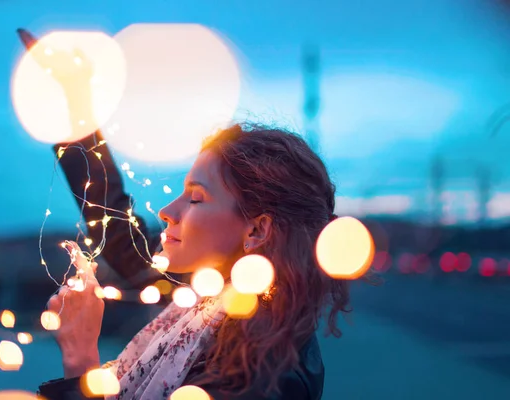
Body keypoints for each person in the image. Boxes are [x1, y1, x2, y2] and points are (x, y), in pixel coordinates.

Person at [21, 31, 350, 400]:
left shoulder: (262, 378)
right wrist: (76, 105)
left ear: (257, 230)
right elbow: (120, 235)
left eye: (195, 198)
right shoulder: (214, 307)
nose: (166, 211)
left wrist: (80, 357)